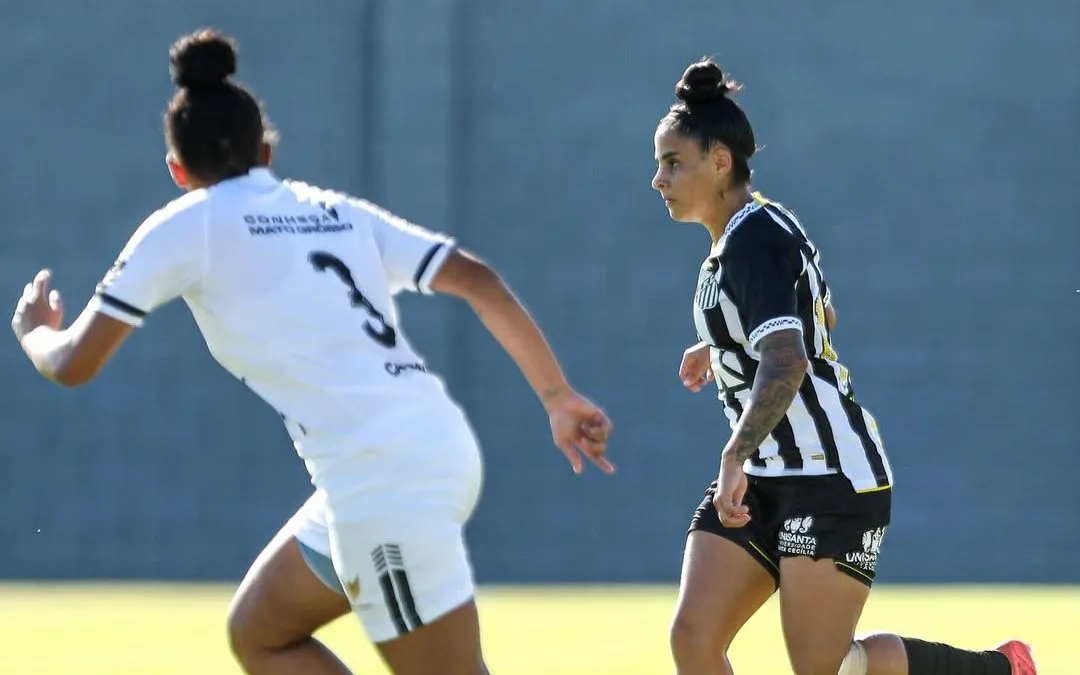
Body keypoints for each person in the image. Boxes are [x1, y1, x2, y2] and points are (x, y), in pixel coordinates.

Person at [10, 29, 615, 675]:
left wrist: (32, 332)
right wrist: (556, 395)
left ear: (178, 171)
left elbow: (73, 362)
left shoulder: (184, 224)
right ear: (266, 151)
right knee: (261, 631)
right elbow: (478, 280)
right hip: (426, 448)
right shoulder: (334, 210)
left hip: (383, 481)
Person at [652, 58, 1036, 675]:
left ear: (720, 161)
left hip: (829, 478)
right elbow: (818, 316)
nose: (658, 179)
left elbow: (790, 356)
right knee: (693, 638)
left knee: (829, 667)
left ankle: (1000, 670)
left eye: (673, 162)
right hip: (765, 474)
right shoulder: (739, 241)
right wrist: (723, 345)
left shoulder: (755, 239)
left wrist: (730, 453)